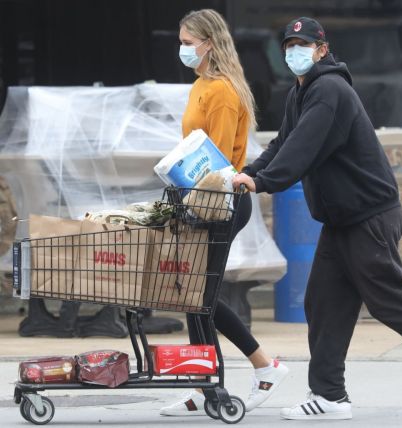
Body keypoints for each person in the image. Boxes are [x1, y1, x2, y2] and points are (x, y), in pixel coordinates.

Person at [233, 16, 402, 421]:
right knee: (323, 302)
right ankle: (329, 396)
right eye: (288, 46)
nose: (294, 53)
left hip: (369, 216)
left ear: (322, 50)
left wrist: (262, 181)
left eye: (303, 45)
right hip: (343, 220)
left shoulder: (330, 90)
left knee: (391, 302)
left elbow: (302, 148)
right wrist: (250, 173)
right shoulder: (300, 93)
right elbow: (284, 141)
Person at [159, 9, 288, 417]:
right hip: (200, 200)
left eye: (186, 43)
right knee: (197, 296)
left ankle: (232, 379)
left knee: (199, 296)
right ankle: (214, 381)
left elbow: (213, 162)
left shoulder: (223, 92)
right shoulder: (201, 85)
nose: (181, 49)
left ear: (208, 43)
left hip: (219, 202)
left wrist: (192, 195)